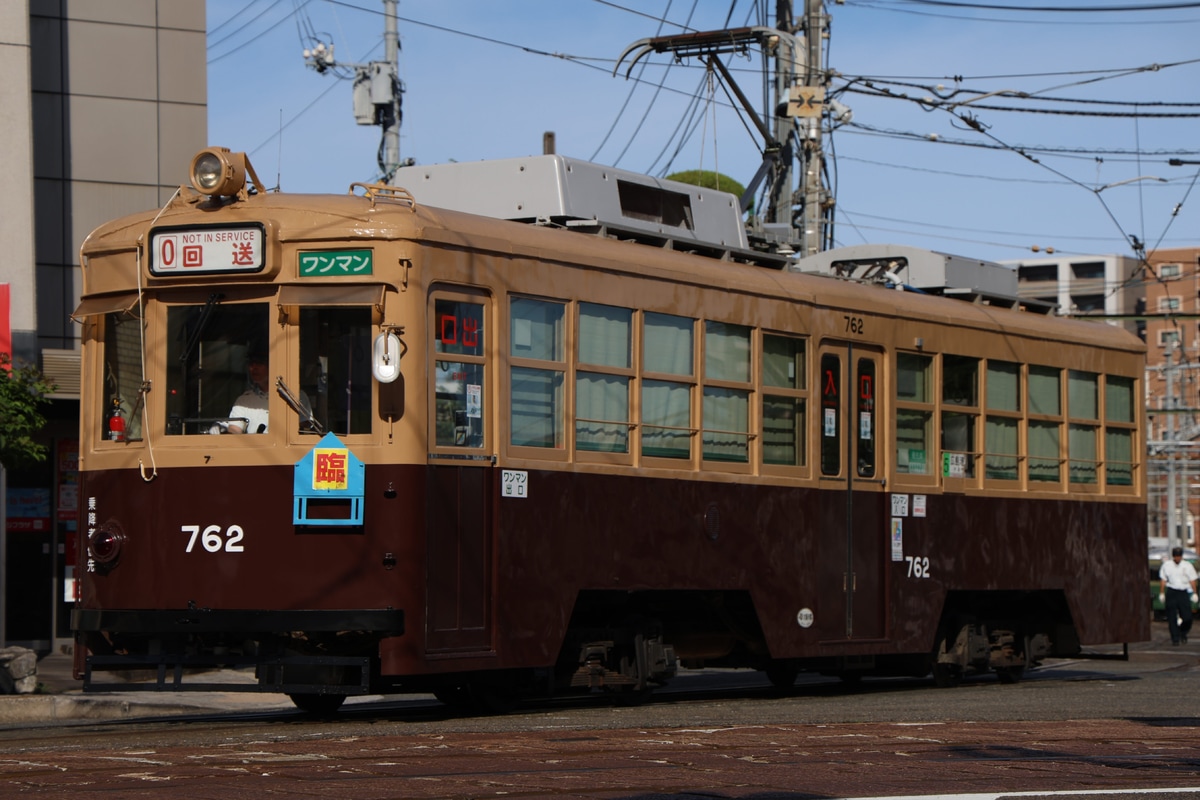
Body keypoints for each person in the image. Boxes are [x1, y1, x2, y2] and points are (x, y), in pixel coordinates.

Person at [1158, 546, 1198, 645]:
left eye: (1179, 556)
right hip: (1172, 591)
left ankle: (1183, 632)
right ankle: (1175, 638)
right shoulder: (1167, 565)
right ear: (1173, 556)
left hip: (1183, 591)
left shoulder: (1187, 565)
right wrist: (1162, 593)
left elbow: (1192, 580)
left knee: (1187, 616)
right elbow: (1163, 579)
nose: (1177, 558)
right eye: (1176, 556)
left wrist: (1195, 593)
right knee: (1172, 617)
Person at [225, 352, 270, 434]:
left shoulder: (293, 396)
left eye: (260, 363)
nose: (254, 367)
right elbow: (234, 431)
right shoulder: (244, 401)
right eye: (251, 363)